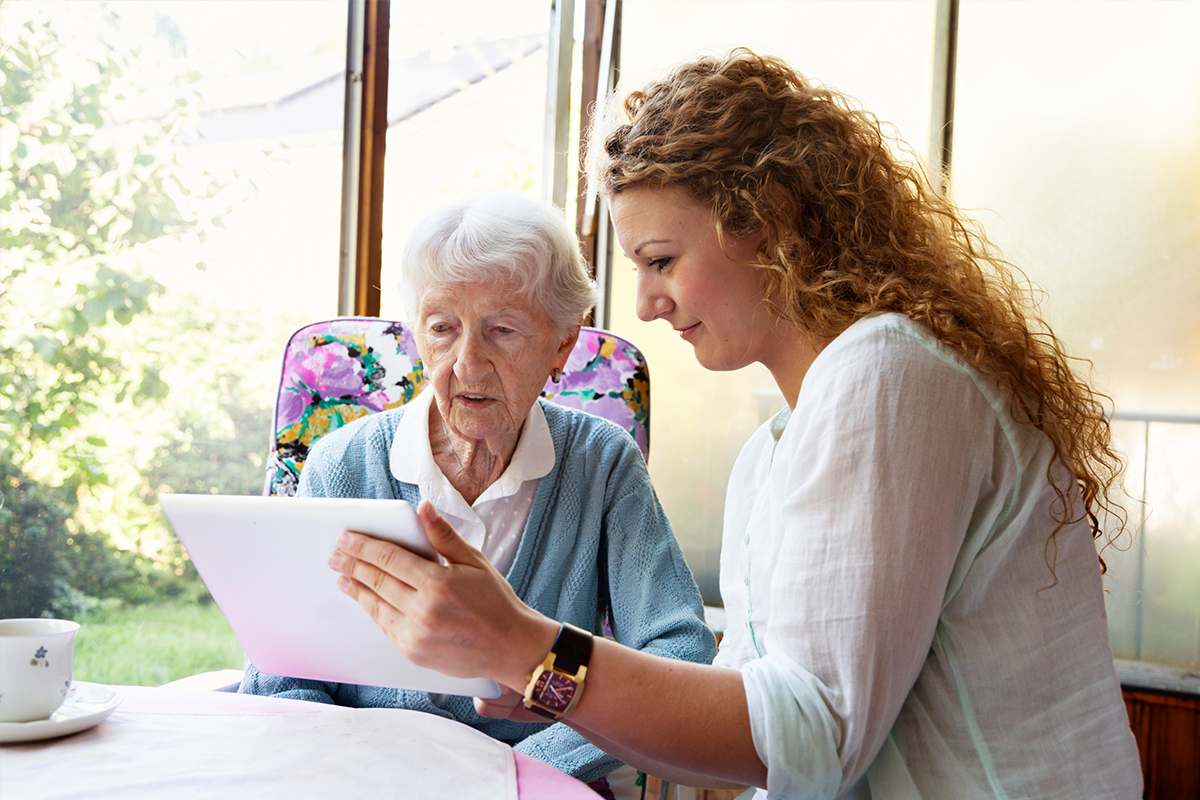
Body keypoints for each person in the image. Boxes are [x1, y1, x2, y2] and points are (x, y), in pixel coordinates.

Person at [325, 50, 1143, 798]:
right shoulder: (774, 452)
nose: (644, 304)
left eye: (660, 261)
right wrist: (540, 677)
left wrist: (527, 645)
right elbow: (735, 736)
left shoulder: (889, 374)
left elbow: (813, 735)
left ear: (771, 217)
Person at [240, 193, 717, 793]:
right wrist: (354, 771)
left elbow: (679, 651)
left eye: (503, 331)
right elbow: (283, 666)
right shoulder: (342, 463)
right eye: (443, 328)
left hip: (532, 782)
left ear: (562, 346)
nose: (468, 364)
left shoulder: (602, 463)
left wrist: (526, 769)